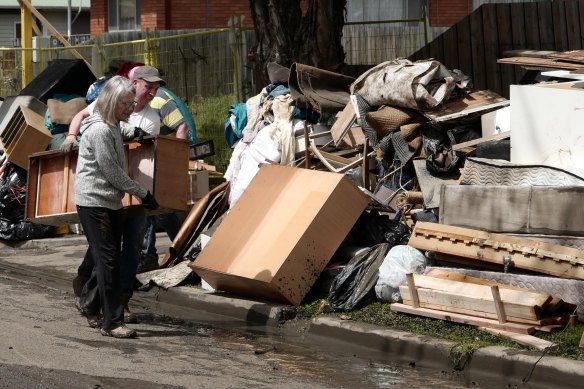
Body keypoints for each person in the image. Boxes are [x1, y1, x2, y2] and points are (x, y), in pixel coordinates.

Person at [66, 66, 164, 322]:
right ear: (111, 102)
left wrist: (135, 133)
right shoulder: (99, 130)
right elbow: (113, 172)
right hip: (94, 201)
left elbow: (121, 132)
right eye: (126, 104)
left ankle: (91, 305)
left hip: (110, 201)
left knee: (109, 260)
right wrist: (143, 193)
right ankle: (111, 320)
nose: (131, 109)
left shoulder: (112, 123)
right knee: (108, 261)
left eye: (132, 103)